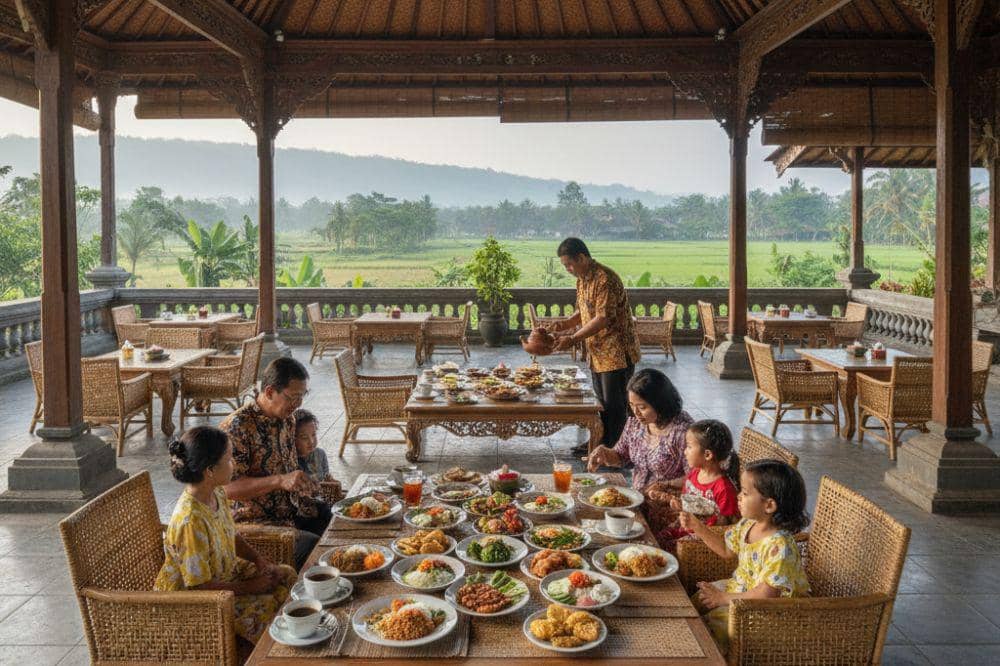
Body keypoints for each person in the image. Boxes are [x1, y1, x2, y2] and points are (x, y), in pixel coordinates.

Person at [155, 426, 297, 646]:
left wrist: (258, 560)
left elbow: (231, 535)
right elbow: (199, 587)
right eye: (229, 460)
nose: (234, 465)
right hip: (195, 603)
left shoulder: (217, 492)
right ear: (210, 470)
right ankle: (273, 654)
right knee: (268, 608)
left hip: (225, 575)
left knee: (285, 575)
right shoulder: (190, 522)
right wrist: (252, 587)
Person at [680, 459, 811, 654]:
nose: (738, 496)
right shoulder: (748, 523)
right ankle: (682, 642)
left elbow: (767, 595)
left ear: (769, 505)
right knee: (698, 599)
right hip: (743, 588)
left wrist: (723, 598)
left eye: (745, 493)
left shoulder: (780, 547)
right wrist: (697, 527)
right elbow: (726, 550)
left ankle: (704, 655)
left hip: (768, 611)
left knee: (712, 627)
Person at [221, 357, 330, 569]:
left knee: (334, 521)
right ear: (270, 392)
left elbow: (288, 469)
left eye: (302, 396)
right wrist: (279, 481)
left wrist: (303, 483)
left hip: (291, 513)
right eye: (293, 397)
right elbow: (227, 489)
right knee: (313, 547)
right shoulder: (237, 426)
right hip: (255, 525)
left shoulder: (288, 420)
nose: (298, 404)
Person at [550, 237, 640, 455]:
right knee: (600, 404)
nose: (568, 270)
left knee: (615, 406)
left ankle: (613, 450)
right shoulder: (582, 279)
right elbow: (584, 311)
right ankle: (599, 443)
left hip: (616, 352)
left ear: (582, 258)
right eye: (565, 266)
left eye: (569, 264)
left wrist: (572, 339)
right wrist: (564, 324)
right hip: (597, 352)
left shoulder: (604, 278)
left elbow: (602, 318)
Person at [650, 419, 741, 552]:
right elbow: (690, 499)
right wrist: (672, 499)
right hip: (685, 524)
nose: (685, 452)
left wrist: (699, 521)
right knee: (655, 539)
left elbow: (725, 527)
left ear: (707, 454)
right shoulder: (696, 472)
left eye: (689, 447)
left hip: (702, 536)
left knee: (664, 548)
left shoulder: (724, 489)